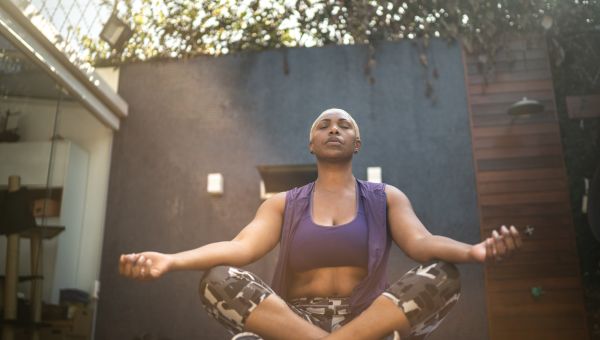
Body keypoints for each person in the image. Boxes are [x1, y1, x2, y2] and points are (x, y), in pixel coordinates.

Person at [119, 108, 522, 340]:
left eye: (344, 125)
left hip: (367, 320)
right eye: (324, 125)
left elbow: (422, 242)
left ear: (357, 145)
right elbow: (239, 248)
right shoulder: (283, 204)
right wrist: (170, 260)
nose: (333, 129)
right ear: (311, 144)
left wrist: (475, 251)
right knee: (216, 277)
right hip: (294, 323)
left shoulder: (386, 198)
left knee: (443, 275)